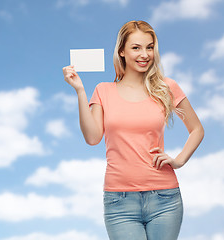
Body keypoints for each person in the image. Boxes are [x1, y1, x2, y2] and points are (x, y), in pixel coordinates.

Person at [62, 20, 204, 240]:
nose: (144, 54)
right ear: (122, 51)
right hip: (119, 202)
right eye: (136, 48)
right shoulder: (103, 90)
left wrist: (179, 160)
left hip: (165, 198)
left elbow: (196, 129)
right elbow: (92, 138)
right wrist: (80, 91)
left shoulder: (166, 87)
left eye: (149, 47)